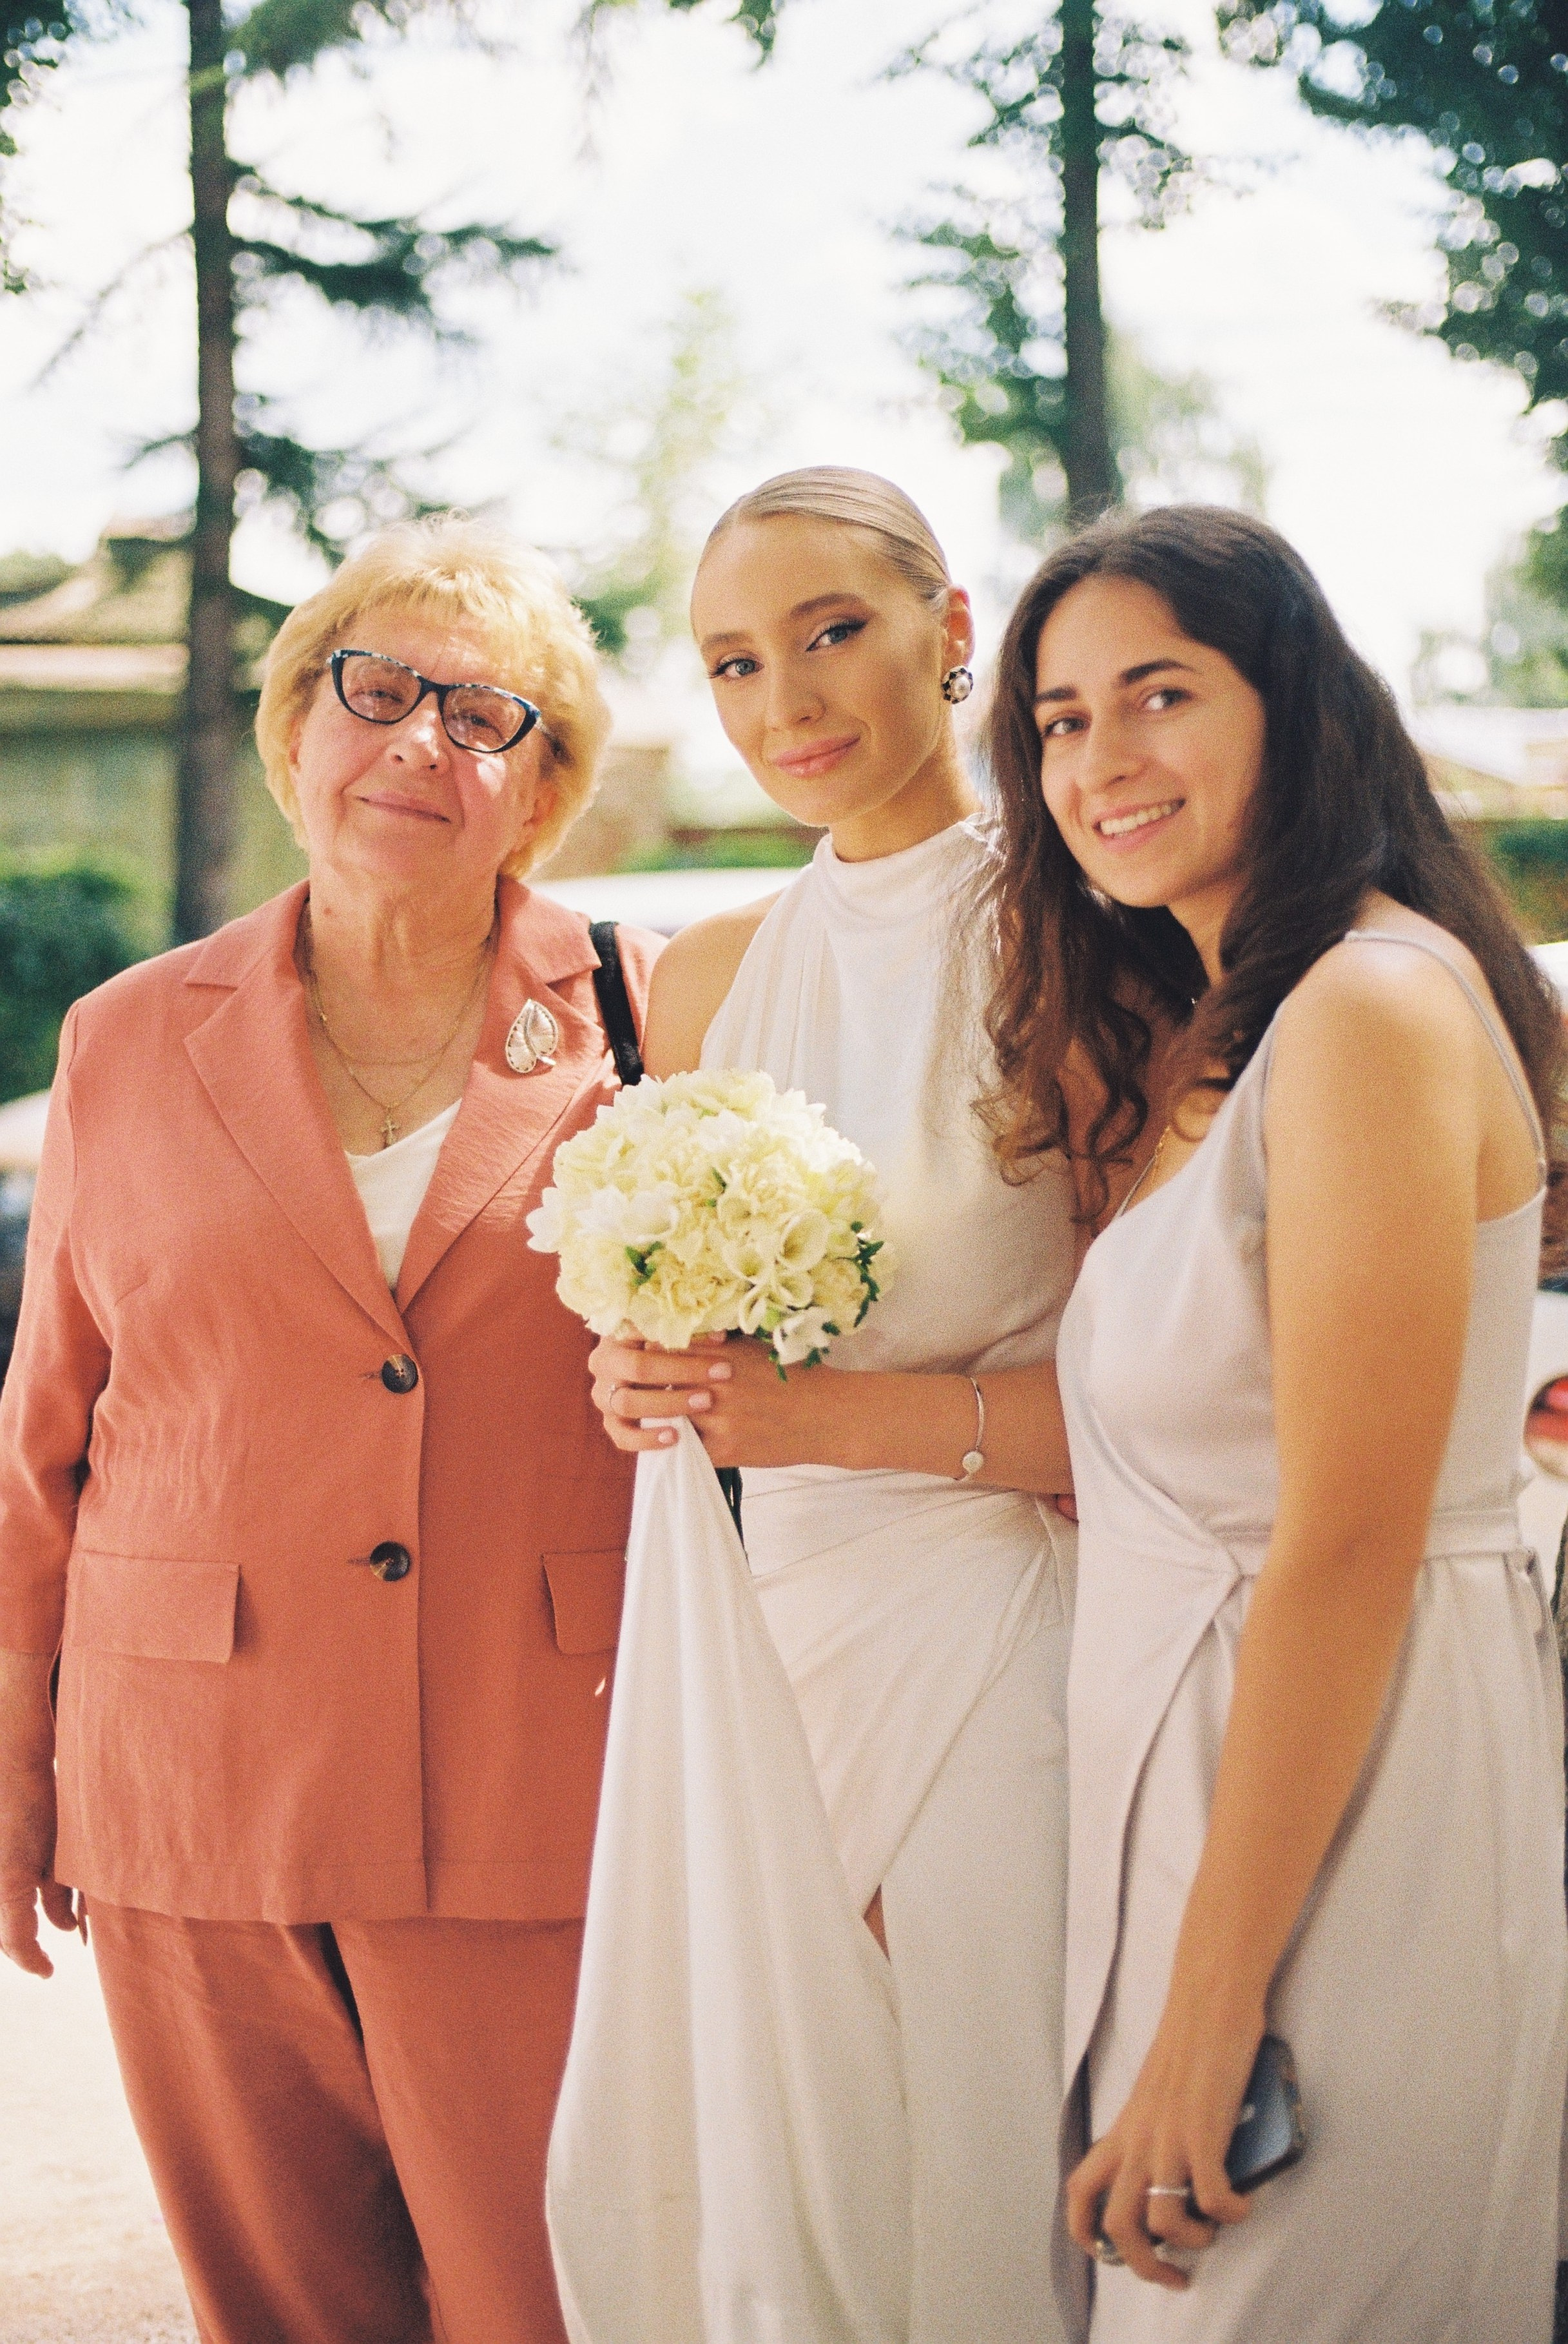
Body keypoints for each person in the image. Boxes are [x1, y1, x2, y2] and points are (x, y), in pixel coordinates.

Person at [0, 516, 662, 2344]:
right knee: (275, 2311)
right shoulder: (125, 1038)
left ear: (541, 792)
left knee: (545, 2303)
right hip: (189, 1785)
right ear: (297, 730)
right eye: (377, 691)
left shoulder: (644, 1015)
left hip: (537, 1771)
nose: (422, 744)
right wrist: (15, 1758)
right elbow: (48, 1428)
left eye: (487, 716)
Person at [982, 503, 1568, 2341]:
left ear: (1293, 705)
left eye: (1157, 693)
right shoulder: (1224, 1026)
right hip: (1213, 1797)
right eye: (1060, 720)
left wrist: (1207, 2016)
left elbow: (1342, 1544)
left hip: (1358, 1806)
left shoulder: (1372, 1012)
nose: (1102, 758)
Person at [558, 468, 1079, 2343]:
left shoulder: (1077, 929)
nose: (783, 701)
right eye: (731, 662)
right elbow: (698, 1358)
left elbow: (1167, 1392)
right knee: (778, 2140)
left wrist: (817, 1429)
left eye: (831, 632)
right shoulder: (704, 981)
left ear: (954, 633)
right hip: (760, 1631)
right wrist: (644, 1369)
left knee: (971, 2128)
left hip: (1006, 1614)